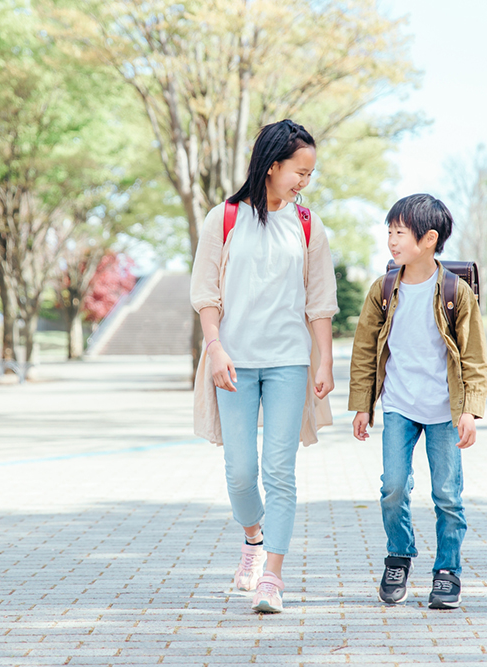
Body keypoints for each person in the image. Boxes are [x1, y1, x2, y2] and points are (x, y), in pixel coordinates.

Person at [190, 119, 338, 613]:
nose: (305, 181)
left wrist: (325, 362)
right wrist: (214, 347)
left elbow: (320, 299)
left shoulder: (308, 225)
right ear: (272, 166)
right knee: (239, 472)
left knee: (280, 470)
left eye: (310, 174)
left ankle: (272, 577)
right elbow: (206, 291)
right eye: (300, 171)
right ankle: (252, 539)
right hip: (232, 362)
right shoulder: (224, 218)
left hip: (289, 362)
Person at [348, 193, 487, 608]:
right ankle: (399, 555)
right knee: (393, 487)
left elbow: (474, 356)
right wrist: (362, 405)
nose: (391, 240)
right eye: (389, 231)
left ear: (428, 238)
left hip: (445, 410)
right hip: (398, 406)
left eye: (400, 232)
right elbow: (364, 350)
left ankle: (448, 570)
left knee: (447, 494)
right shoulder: (384, 289)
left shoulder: (454, 291)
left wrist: (470, 410)